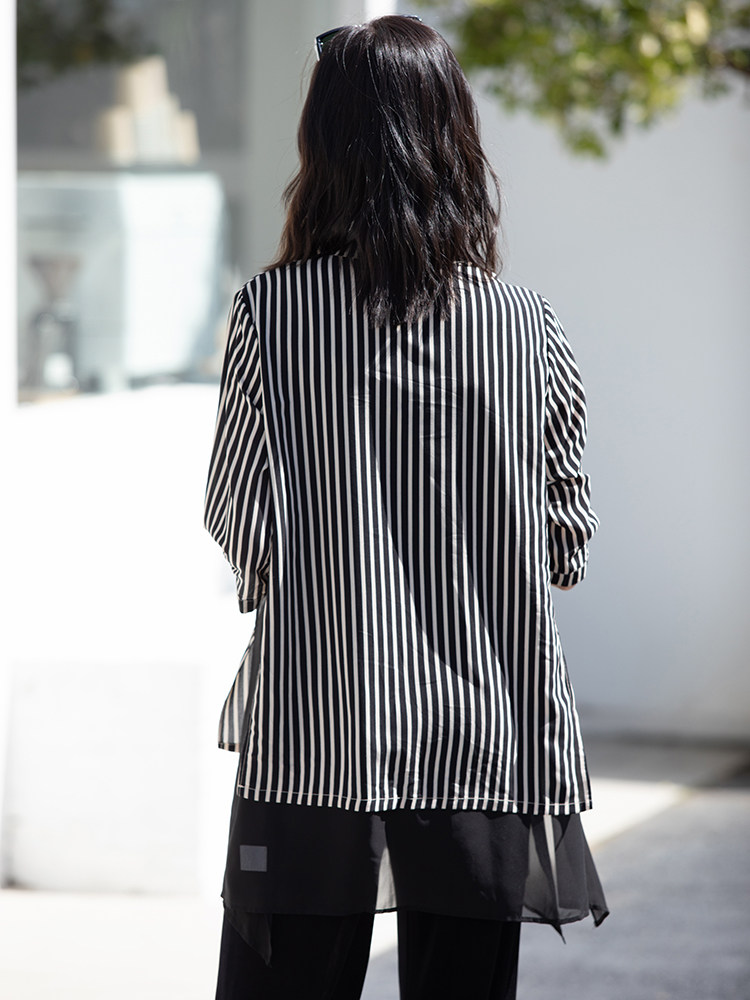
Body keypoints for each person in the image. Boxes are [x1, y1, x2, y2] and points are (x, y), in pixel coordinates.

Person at [204, 14, 608, 1000]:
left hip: (315, 735)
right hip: (487, 736)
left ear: (324, 144)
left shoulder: (270, 314)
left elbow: (239, 520)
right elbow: (566, 545)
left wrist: (324, 567)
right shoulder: (528, 327)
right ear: (452, 135)